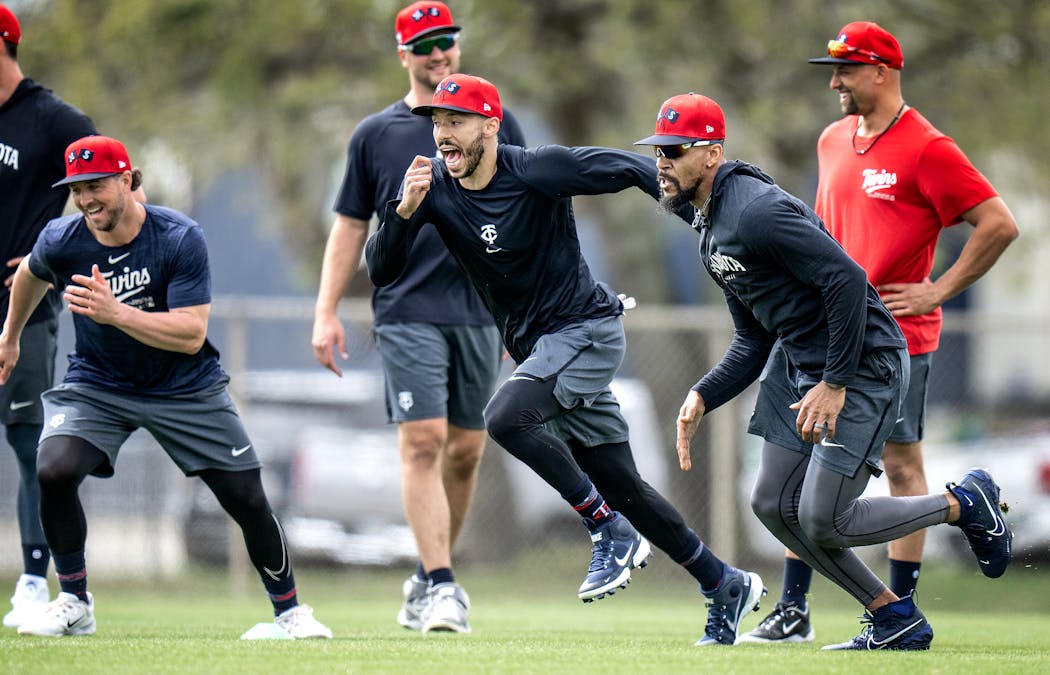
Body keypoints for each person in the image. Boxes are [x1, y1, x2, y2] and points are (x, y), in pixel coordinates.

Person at [365, 73, 767, 647]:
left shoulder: (536, 169)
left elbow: (631, 169)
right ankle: (721, 581)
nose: (443, 134)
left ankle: (605, 529)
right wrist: (403, 210)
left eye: (455, 121)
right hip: (545, 351)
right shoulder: (431, 191)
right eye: (436, 122)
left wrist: (708, 224)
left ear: (490, 126)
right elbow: (381, 269)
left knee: (504, 417)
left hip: (586, 331)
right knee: (622, 483)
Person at [639, 92, 1012, 651]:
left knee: (824, 519)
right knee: (771, 503)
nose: (662, 162)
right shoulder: (709, 225)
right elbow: (754, 337)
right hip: (798, 366)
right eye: (657, 151)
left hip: (862, 366)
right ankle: (894, 618)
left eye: (675, 150)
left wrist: (834, 383)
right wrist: (702, 393)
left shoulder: (757, 210)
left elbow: (846, 280)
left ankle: (963, 503)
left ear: (712, 153)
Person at [741, 21, 1020, 645]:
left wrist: (939, 289)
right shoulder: (832, 139)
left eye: (845, 71)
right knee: (803, 469)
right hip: (824, 335)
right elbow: (815, 232)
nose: (835, 82)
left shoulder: (928, 147)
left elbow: (998, 224)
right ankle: (795, 610)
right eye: (832, 71)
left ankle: (899, 609)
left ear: (882, 72)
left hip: (896, 341)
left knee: (899, 467)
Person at [0, 135, 332, 639]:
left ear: (129, 180)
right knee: (53, 468)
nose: (87, 200)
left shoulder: (178, 237)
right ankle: (74, 600)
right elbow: (29, 273)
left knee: (245, 497)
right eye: (77, 189)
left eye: (97, 186)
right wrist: (10, 338)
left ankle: (289, 613)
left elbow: (190, 334)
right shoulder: (62, 238)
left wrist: (116, 312)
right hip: (98, 385)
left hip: (185, 387)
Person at [311, 1, 525, 635]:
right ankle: (441, 585)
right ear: (403, 54)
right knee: (424, 439)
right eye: (425, 45)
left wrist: (522, 307)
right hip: (407, 309)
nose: (439, 54)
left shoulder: (495, 119)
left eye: (447, 43)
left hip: (481, 312)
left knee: (465, 451)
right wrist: (325, 311)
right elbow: (350, 228)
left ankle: (428, 577)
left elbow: (519, 212)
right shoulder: (374, 135)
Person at [0, 3, 98, 628]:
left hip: (22, 309)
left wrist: (51, 251)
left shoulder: (52, 118)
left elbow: (111, 186)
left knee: (28, 443)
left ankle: (36, 579)